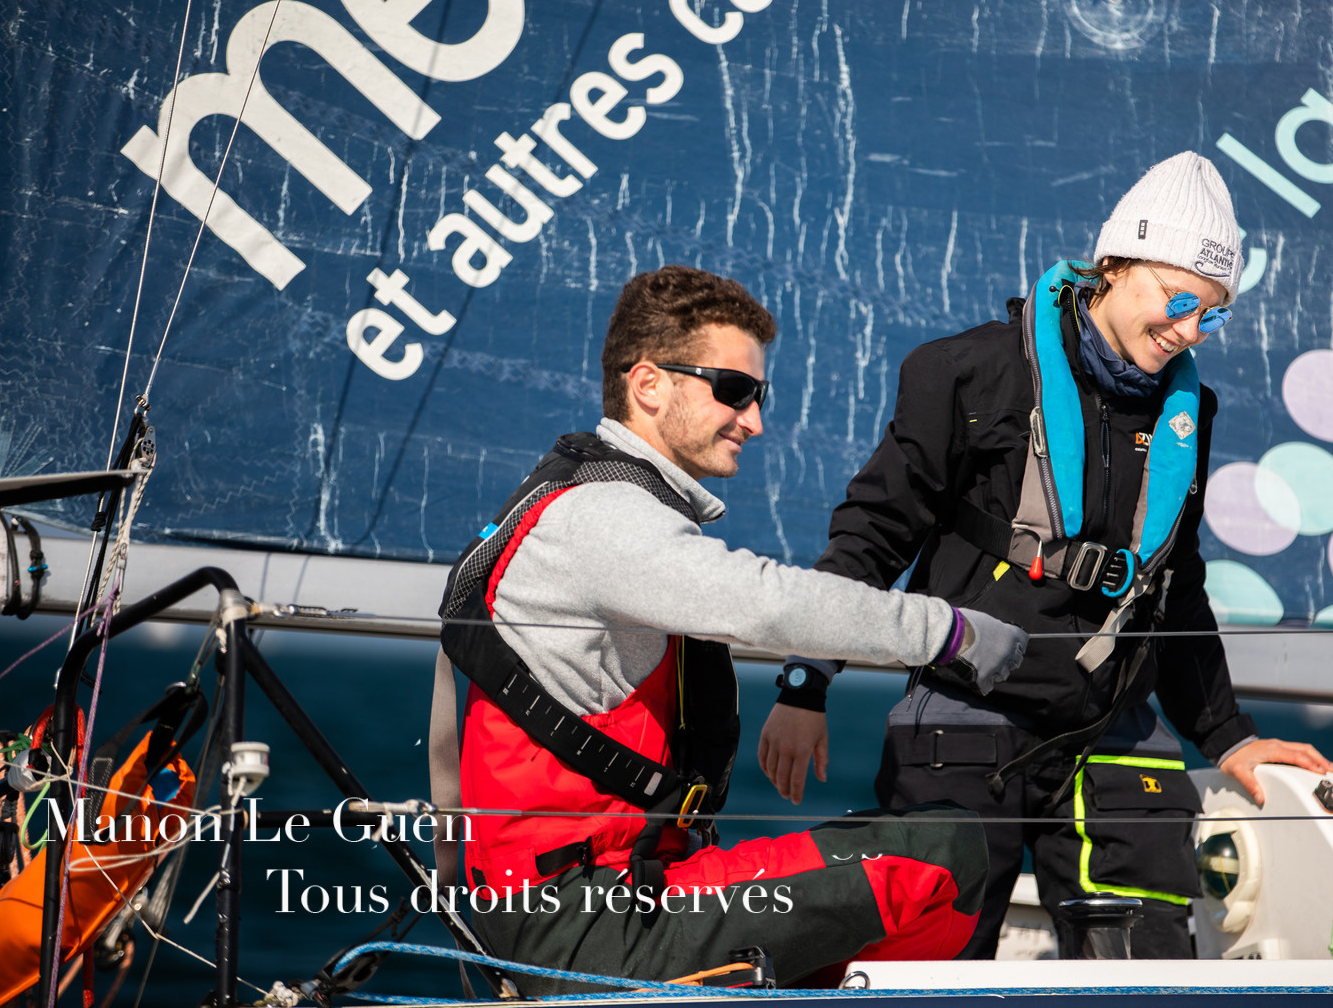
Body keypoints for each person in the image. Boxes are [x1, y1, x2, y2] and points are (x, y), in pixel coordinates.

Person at [757, 153, 1333, 959]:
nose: (1187, 330)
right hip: (964, 714)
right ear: (1114, 264)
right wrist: (806, 682)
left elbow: (1176, 584)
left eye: (1211, 315)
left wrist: (1229, 735)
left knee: (1148, 974)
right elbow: (875, 532)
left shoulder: (1189, 412)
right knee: (936, 966)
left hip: (1112, 727)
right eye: (1177, 300)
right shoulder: (967, 372)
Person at [436, 265, 1029, 992]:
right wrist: (951, 631)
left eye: (759, 395)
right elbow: (766, 603)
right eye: (734, 390)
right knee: (943, 853)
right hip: (587, 919)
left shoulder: (585, 494)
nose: (754, 421)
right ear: (648, 385)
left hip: (601, 894)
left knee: (920, 846)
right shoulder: (603, 518)